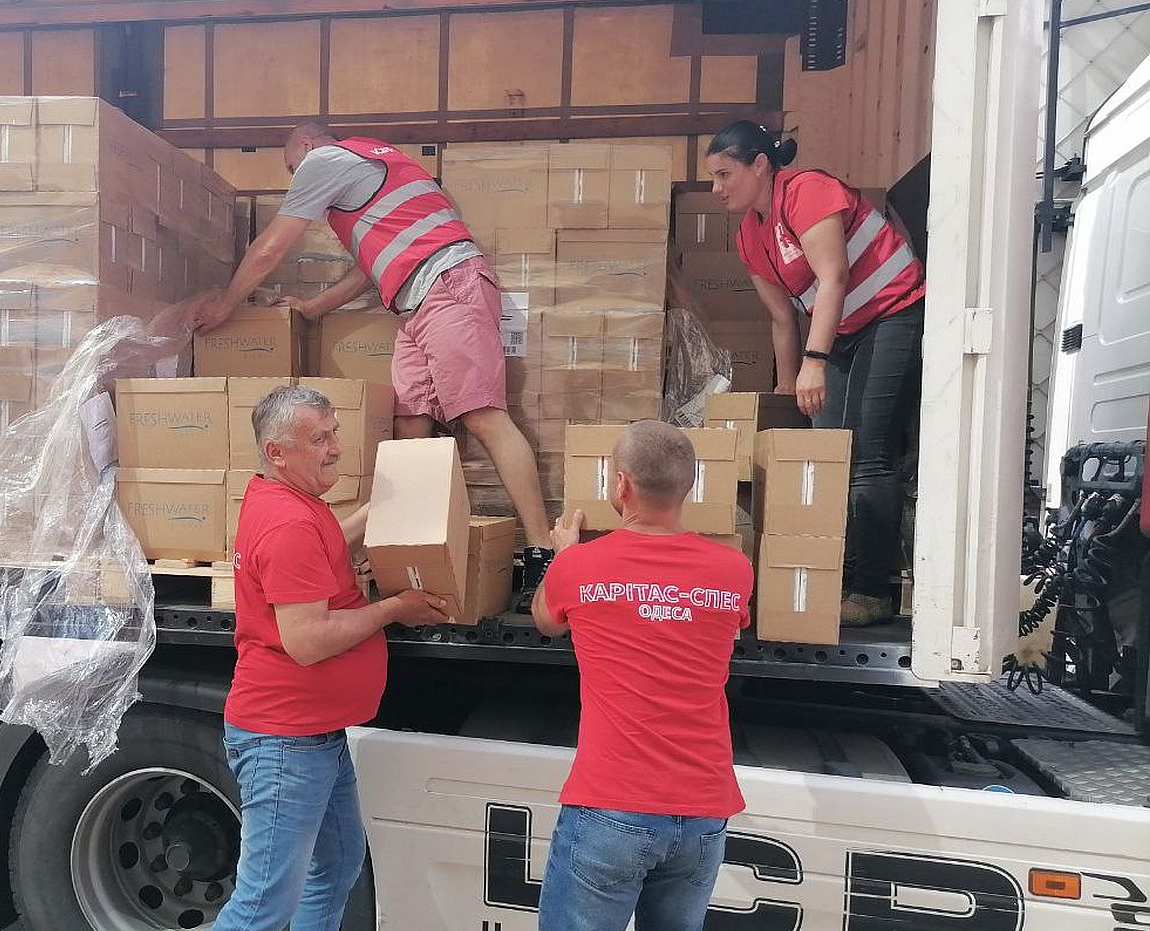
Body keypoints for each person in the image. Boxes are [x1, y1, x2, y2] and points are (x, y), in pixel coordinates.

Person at [190, 122, 555, 609]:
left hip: (448, 286)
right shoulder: (383, 170)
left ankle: (542, 554)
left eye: (291, 168)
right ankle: (414, 548)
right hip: (415, 303)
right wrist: (313, 310)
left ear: (305, 147)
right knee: (409, 425)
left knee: (482, 416)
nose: (297, 179)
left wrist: (226, 305)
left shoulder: (325, 161)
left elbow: (271, 248)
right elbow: (370, 269)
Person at [215, 385, 449, 931]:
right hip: (286, 740)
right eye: (320, 439)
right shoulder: (290, 522)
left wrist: (375, 510)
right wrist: (395, 607)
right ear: (277, 452)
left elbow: (322, 549)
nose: (337, 448)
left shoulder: (290, 502)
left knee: (337, 867)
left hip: (315, 734)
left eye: (335, 433)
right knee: (262, 903)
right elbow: (309, 640)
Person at [531, 420, 752, 931]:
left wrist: (563, 554)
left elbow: (546, 620)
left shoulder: (580, 566)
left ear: (621, 485)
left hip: (611, 803)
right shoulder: (733, 570)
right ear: (689, 485)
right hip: (703, 810)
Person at [707, 120, 925, 627]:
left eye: (724, 175)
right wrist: (788, 383)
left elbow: (834, 277)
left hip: (892, 313)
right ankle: (835, 577)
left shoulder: (809, 191)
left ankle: (871, 591)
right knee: (828, 452)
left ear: (760, 165)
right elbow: (782, 316)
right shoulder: (749, 235)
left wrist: (815, 362)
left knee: (868, 452)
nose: (716, 189)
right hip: (840, 332)